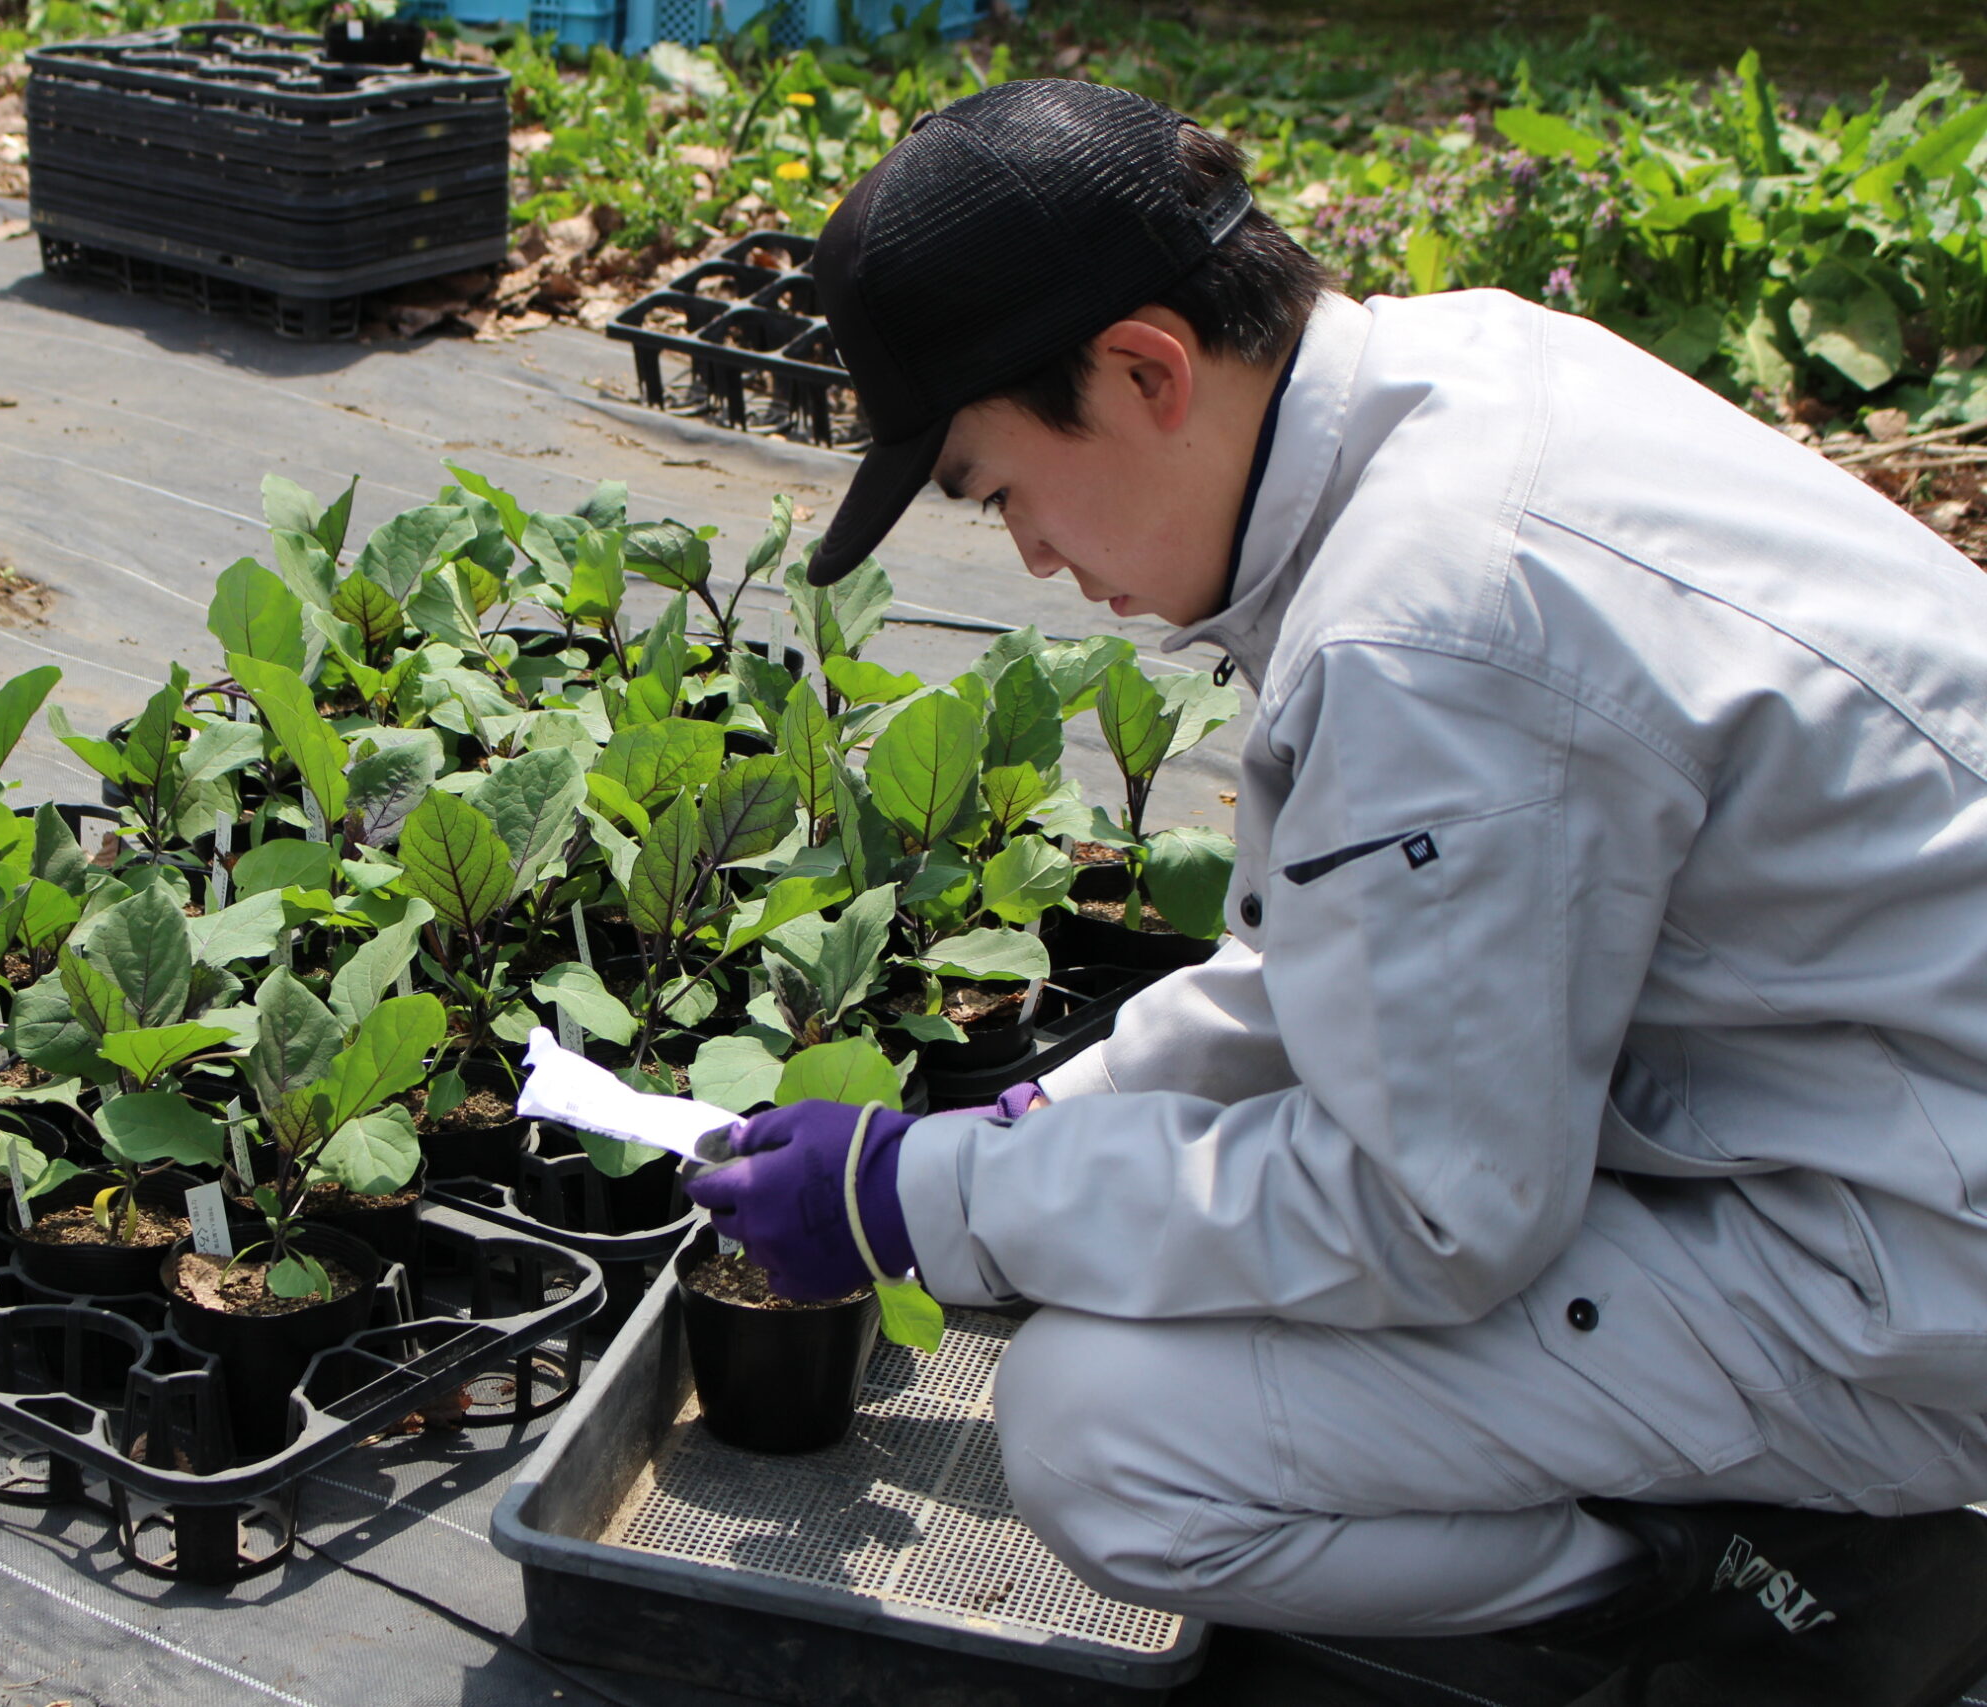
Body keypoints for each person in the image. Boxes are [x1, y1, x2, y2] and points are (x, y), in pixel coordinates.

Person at [682, 78, 1987, 1706]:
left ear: (1147, 366)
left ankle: (1792, 1577)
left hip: (1910, 1269)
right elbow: (1339, 972)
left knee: (1103, 1437)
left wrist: (924, 1204)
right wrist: (1028, 1133)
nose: (1025, 556)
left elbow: (1434, 1214)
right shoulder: (1470, 375)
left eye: (998, 486)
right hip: (1869, 1117)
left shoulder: (1433, 632)